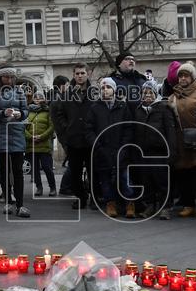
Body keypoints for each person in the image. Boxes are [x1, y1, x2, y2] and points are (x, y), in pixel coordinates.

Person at [86, 77, 133, 218]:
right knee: (105, 179)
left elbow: (128, 127)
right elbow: (89, 130)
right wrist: (97, 146)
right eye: (102, 88)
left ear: (114, 89)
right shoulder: (95, 108)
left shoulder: (122, 106)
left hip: (120, 148)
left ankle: (130, 203)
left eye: (108, 87)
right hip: (102, 150)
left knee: (124, 178)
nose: (105, 90)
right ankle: (110, 203)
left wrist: (124, 145)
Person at [0, 66, 30, 218]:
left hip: (16, 134)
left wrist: (20, 114)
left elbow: (26, 110)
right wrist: (2, 113)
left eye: (11, 77)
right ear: (0, 78)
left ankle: (21, 204)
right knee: (4, 170)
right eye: (6, 77)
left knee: (18, 171)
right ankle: (7, 200)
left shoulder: (19, 91)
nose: (9, 80)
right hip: (0, 135)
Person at [131, 79, 177, 219]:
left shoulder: (164, 108)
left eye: (150, 92)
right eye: (144, 92)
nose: (147, 95)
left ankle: (165, 207)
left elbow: (171, 132)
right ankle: (150, 205)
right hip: (144, 152)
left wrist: (171, 152)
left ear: (155, 93)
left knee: (162, 180)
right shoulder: (139, 110)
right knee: (147, 180)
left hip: (160, 152)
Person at [170, 63, 196, 219]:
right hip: (180, 141)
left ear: (193, 77)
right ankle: (189, 204)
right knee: (184, 174)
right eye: (180, 75)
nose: (183, 78)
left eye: (186, 75)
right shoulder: (173, 96)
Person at [51, 63, 93, 210]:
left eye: (82, 73)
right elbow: (60, 113)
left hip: (90, 140)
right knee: (75, 172)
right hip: (73, 140)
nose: (80, 76)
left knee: (93, 170)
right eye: (77, 73)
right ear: (74, 75)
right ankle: (81, 197)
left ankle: (94, 197)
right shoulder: (67, 94)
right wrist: (66, 129)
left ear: (88, 74)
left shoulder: (94, 92)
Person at [25, 90, 56, 197]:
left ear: (44, 99)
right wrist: (30, 136)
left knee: (47, 167)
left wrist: (42, 136)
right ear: (33, 99)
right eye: (36, 97)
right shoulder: (28, 111)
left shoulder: (48, 111)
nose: (38, 99)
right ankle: (39, 188)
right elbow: (23, 127)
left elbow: (52, 126)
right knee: (35, 169)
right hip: (31, 145)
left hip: (44, 145)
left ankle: (52, 187)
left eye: (40, 97)